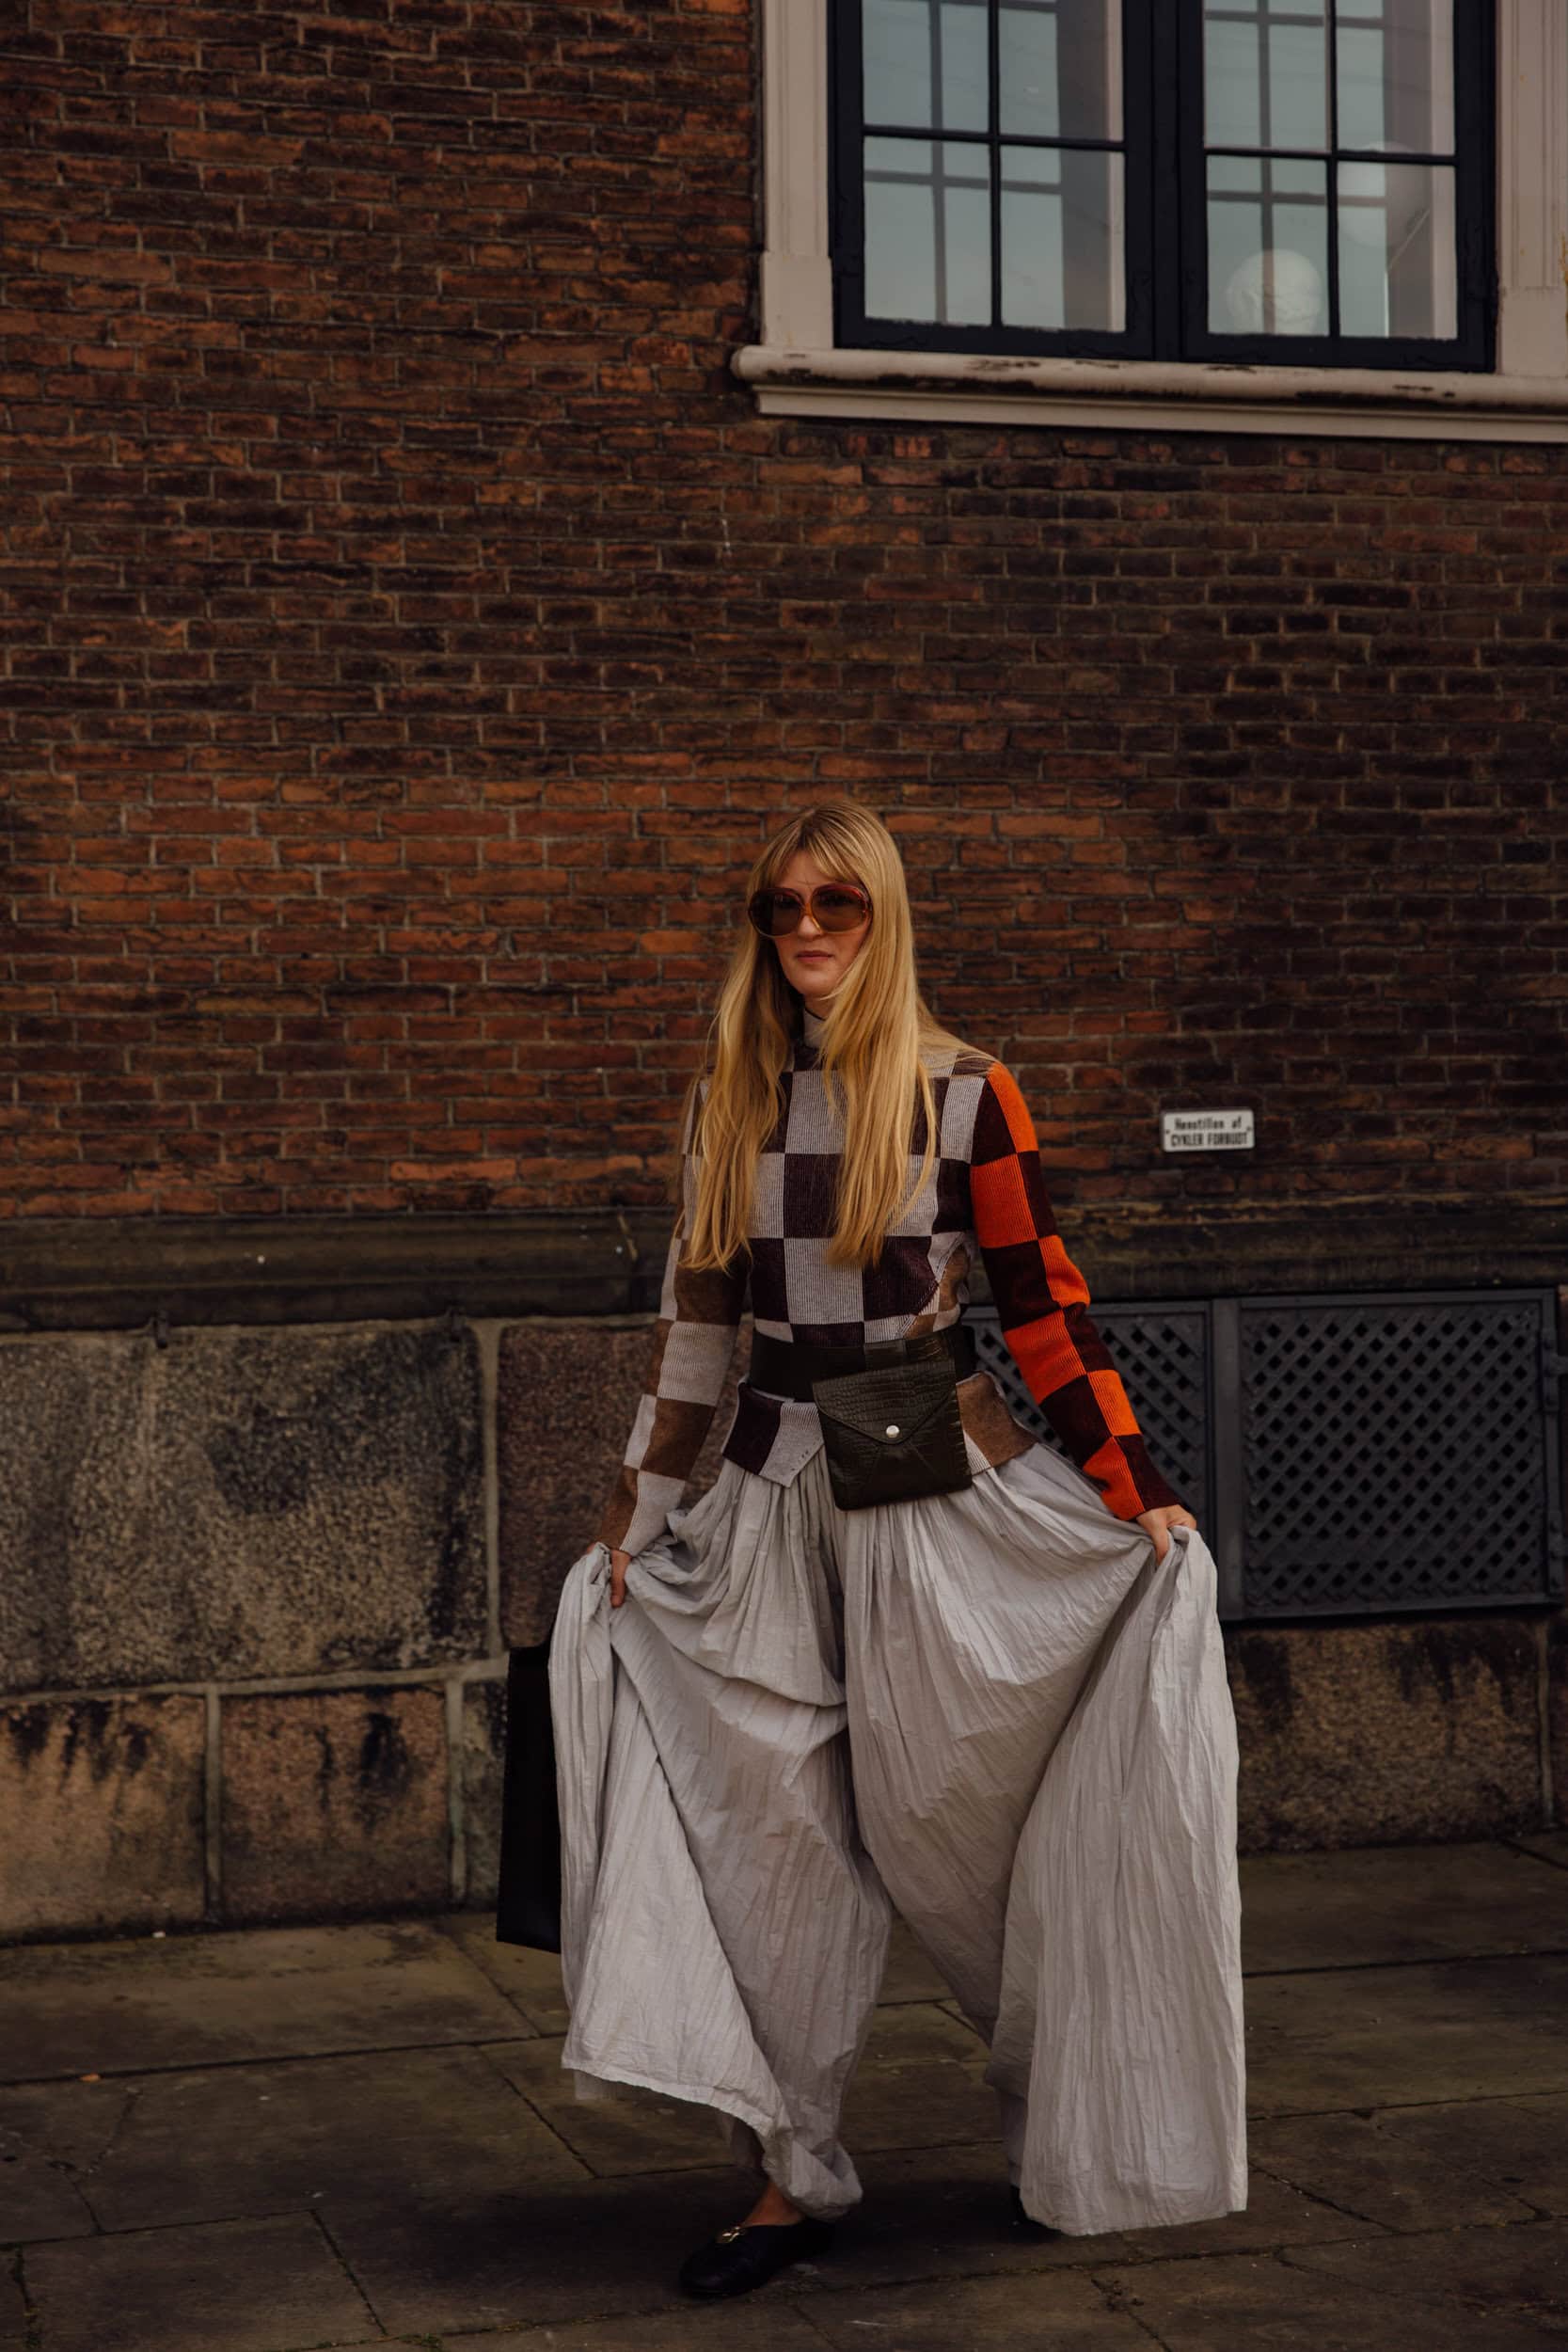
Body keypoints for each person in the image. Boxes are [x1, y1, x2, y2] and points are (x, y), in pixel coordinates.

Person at [544, 801, 1246, 2301]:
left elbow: (1042, 1308)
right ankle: (791, 2176)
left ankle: (1073, 2123)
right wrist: (632, 1526)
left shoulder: (969, 1090)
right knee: (770, 1852)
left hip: (929, 1482)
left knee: (963, 1836)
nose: (805, 929)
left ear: (884, 914)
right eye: (781, 905)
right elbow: (696, 1336)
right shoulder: (730, 1099)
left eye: (837, 903)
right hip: (761, 1501)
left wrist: (1134, 1491)